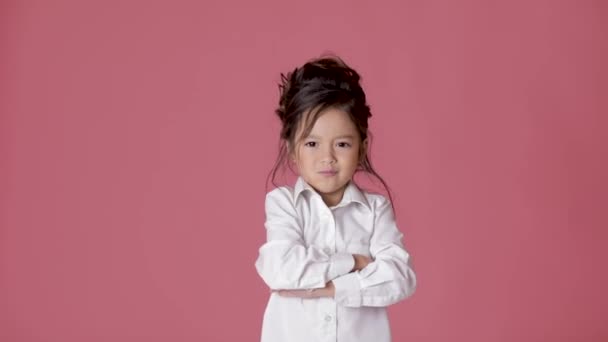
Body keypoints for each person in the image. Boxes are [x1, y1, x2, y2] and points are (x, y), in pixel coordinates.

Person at [254, 55, 416, 342]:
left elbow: (399, 276)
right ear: (292, 150)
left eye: (342, 144)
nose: (327, 157)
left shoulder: (376, 210)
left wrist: (332, 289)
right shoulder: (284, 204)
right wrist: (353, 262)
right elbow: (281, 268)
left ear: (362, 148)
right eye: (312, 143)